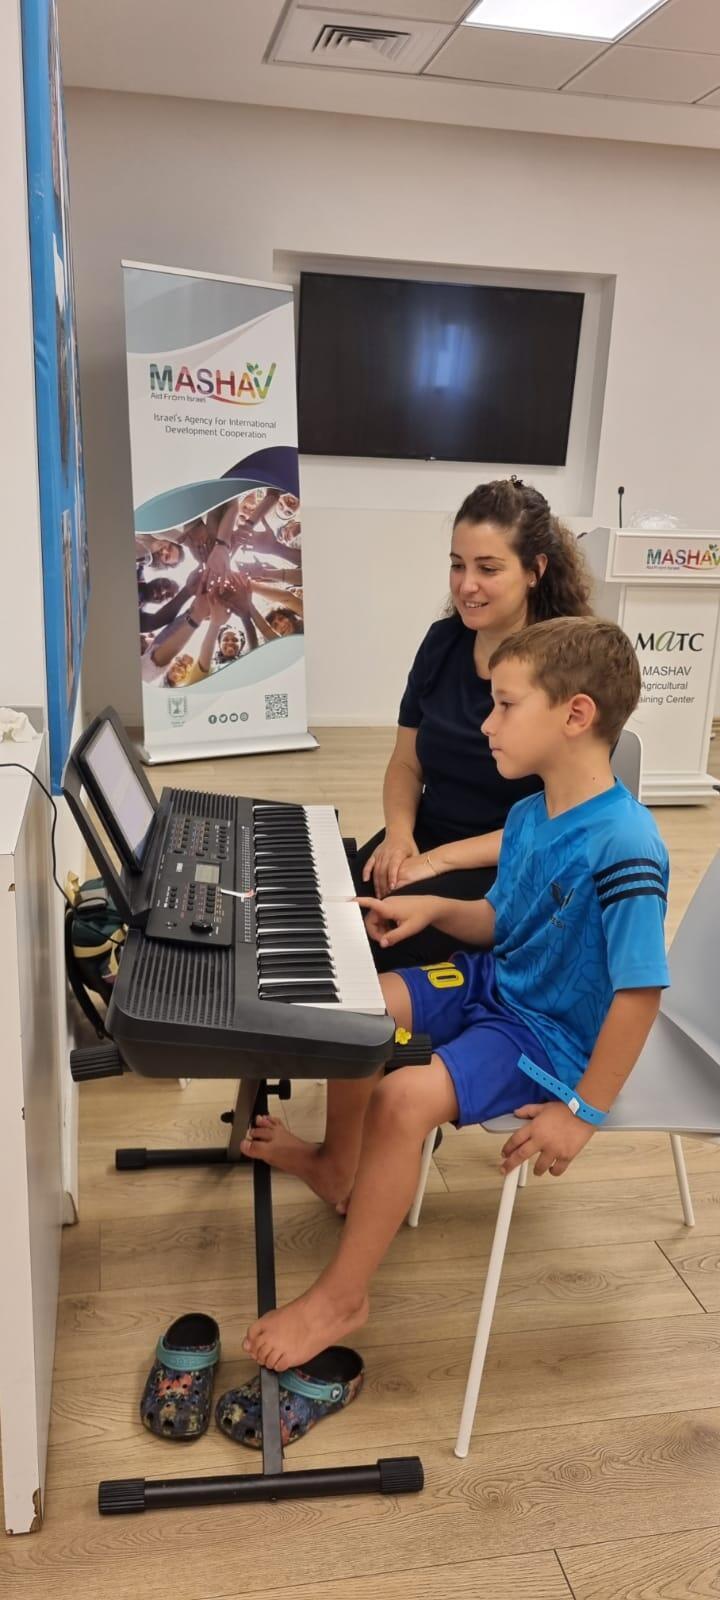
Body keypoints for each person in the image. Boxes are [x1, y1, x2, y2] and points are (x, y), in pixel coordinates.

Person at [241, 617, 669, 1371]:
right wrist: (438, 909)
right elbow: (504, 917)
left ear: (574, 716)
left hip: (550, 1039)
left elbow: (639, 995)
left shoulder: (626, 846)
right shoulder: (534, 813)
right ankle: (342, 1166)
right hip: (497, 984)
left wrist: (582, 1115)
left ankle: (344, 1295)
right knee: (357, 1007)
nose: (486, 723)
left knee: (404, 1099)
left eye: (505, 706)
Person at [354, 477, 593, 972]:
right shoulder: (442, 644)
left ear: (535, 571)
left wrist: (435, 861)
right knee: (328, 911)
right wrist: (400, 836)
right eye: (457, 565)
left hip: (510, 862)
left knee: (376, 945)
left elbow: (560, 821)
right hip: (428, 833)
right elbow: (405, 761)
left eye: (488, 568)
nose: (466, 585)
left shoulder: (566, 670)